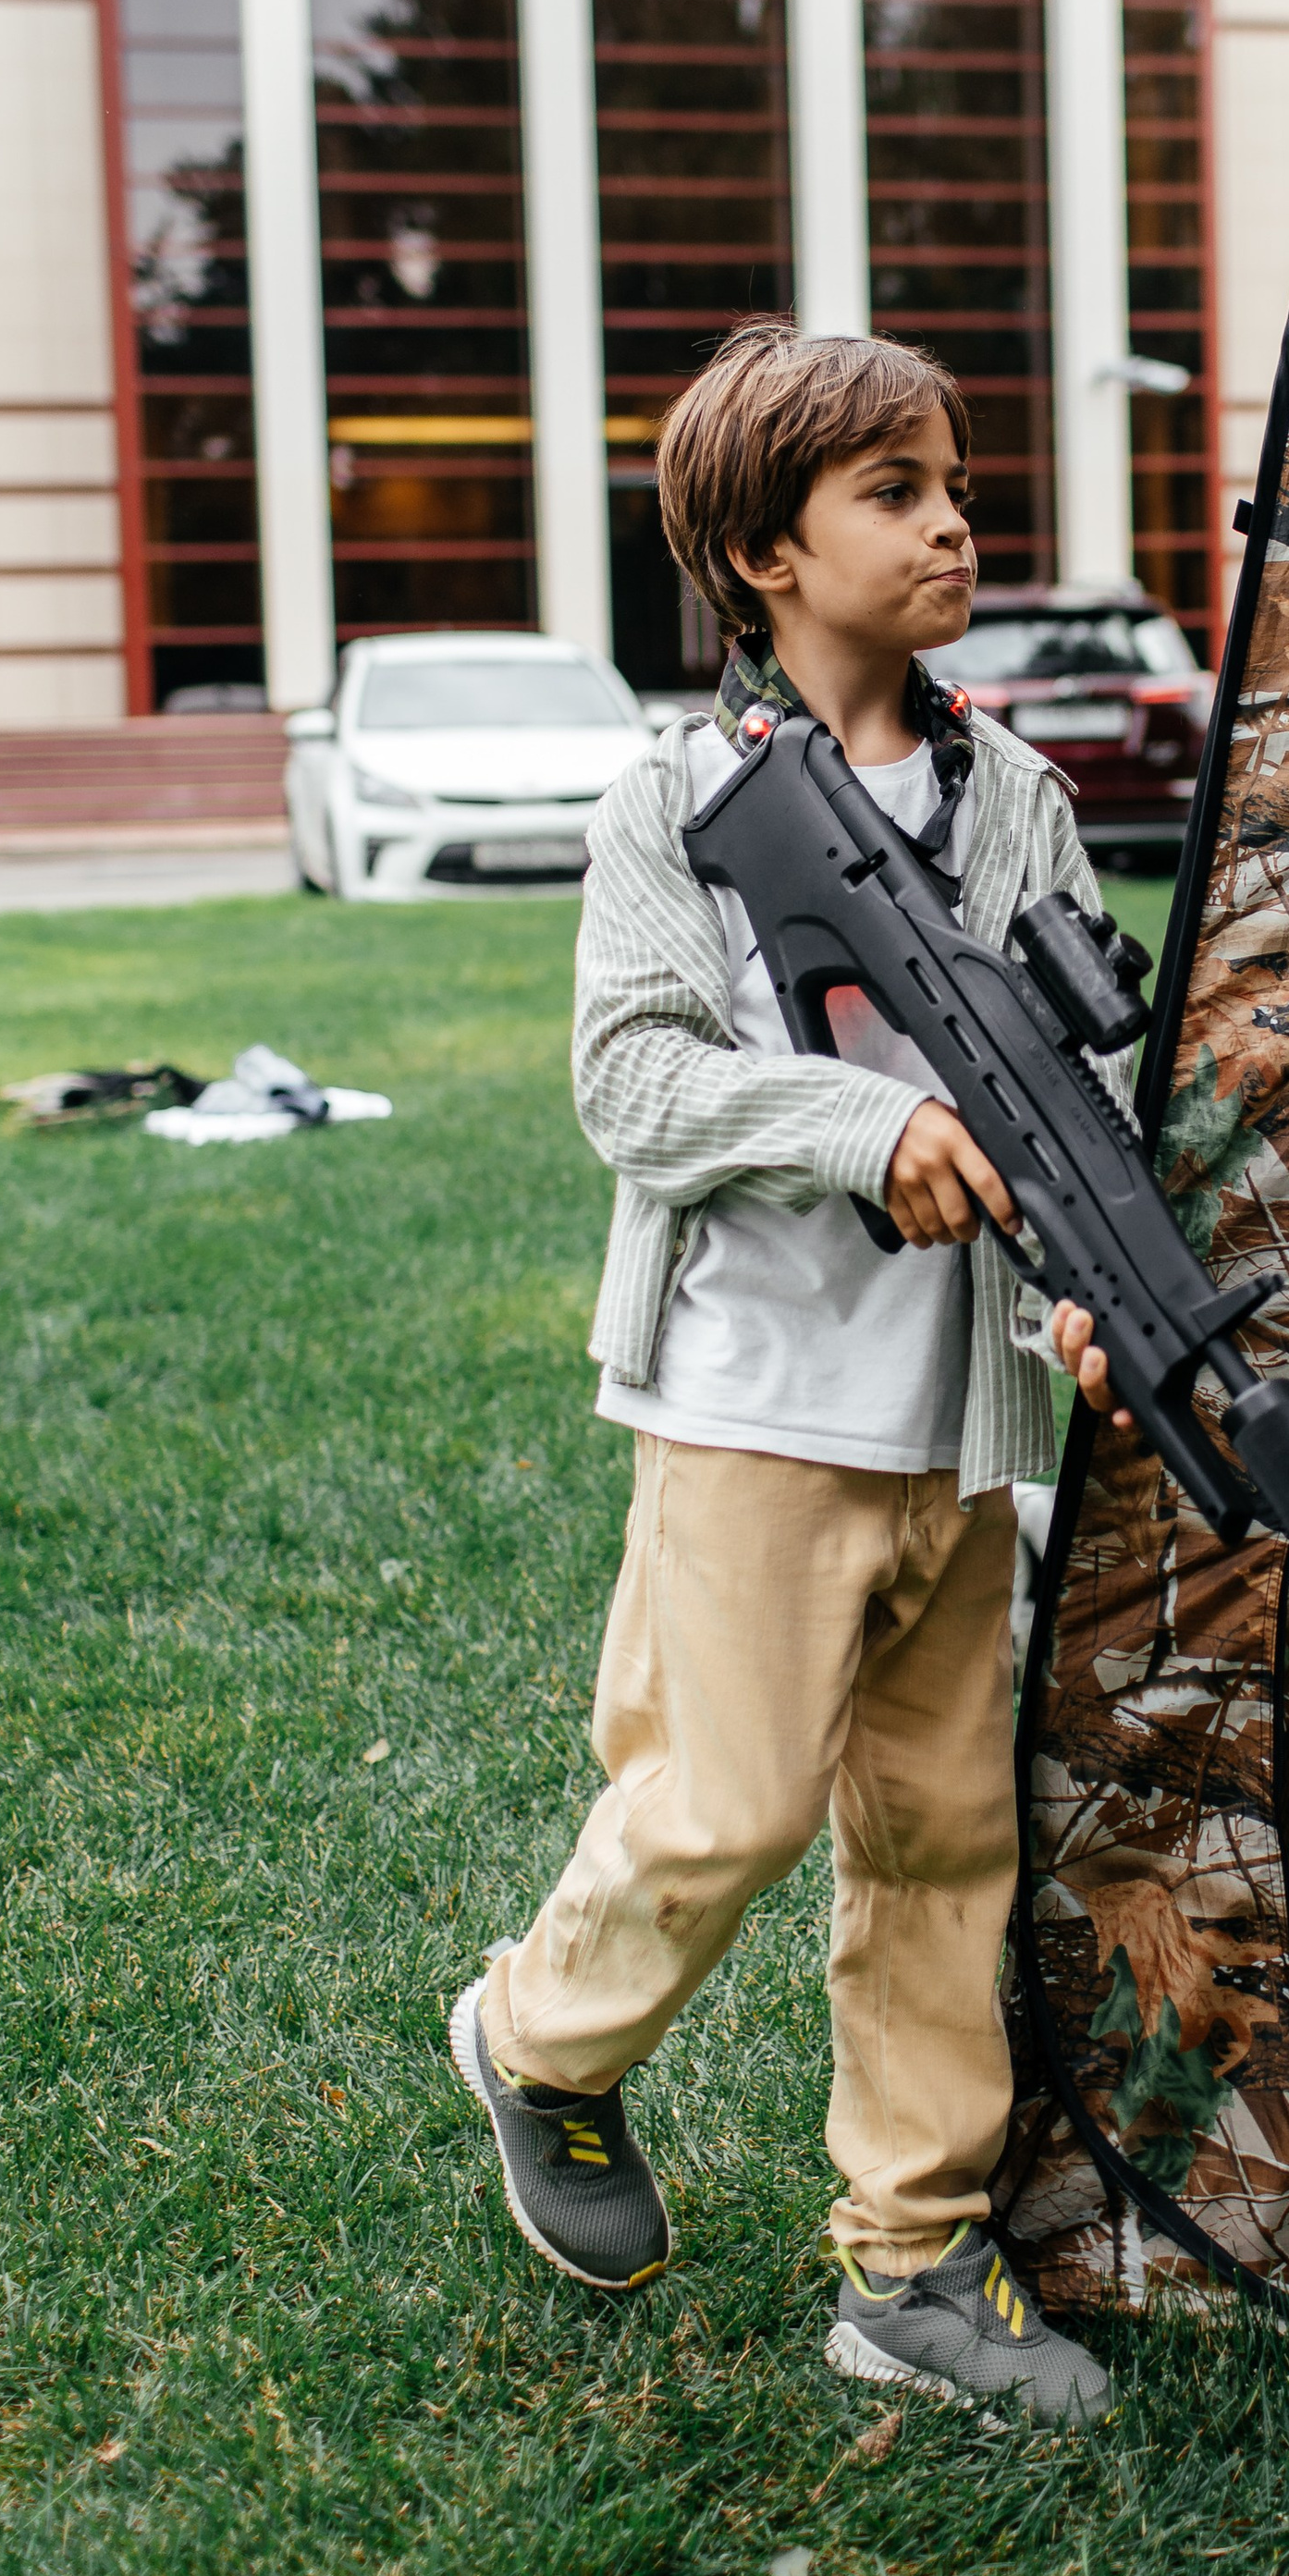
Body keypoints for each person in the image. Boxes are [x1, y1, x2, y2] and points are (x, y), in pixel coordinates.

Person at [449, 319, 1132, 2428]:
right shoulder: (673, 800)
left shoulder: (1019, 797)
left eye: (957, 487)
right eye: (894, 494)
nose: (953, 526)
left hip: (957, 1419)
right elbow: (634, 1080)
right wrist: (868, 1126)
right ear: (763, 552)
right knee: (721, 1808)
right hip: (752, 1403)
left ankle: (910, 2256)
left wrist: (1097, 1288)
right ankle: (539, 2040)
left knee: (942, 1845)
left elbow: (1085, 1101)